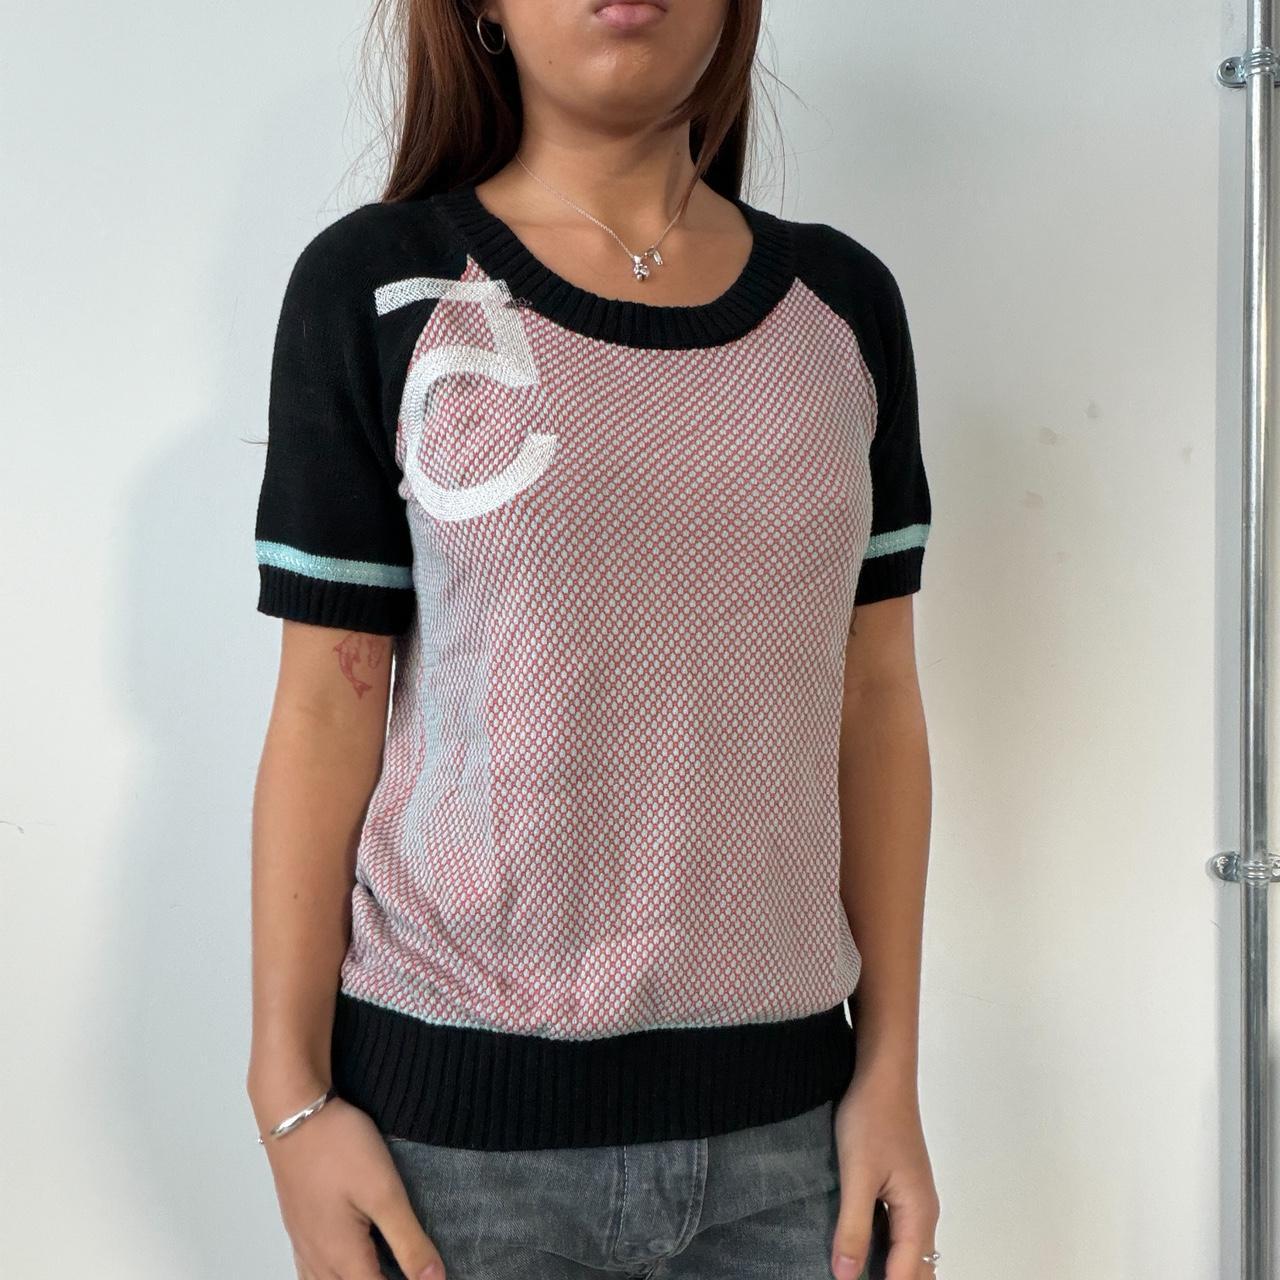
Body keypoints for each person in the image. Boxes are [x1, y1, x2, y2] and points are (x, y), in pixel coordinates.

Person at [246, 1, 941, 1277]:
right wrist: (289, 1100)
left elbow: (875, 698)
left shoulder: (841, 306)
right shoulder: (381, 285)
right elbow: (322, 710)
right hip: (448, 1150)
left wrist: (887, 1069)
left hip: (792, 1149)